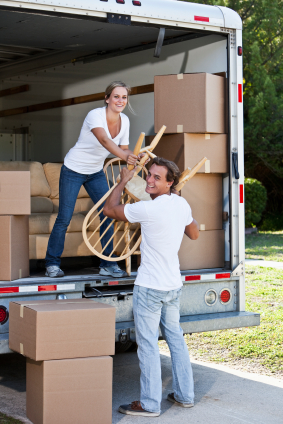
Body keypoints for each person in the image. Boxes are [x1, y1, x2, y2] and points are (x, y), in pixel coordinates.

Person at [103, 156, 200, 417]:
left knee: (147, 345)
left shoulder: (147, 208)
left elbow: (109, 210)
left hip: (149, 288)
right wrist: (178, 207)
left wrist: (123, 181)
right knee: (176, 340)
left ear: (169, 183)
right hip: (171, 286)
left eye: (157, 177)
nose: (149, 180)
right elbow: (194, 233)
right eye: (149, 174)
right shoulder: (180, 204)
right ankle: (185, 395)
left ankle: (149, 404)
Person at [45, 81, 139, 278]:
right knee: (65, 217)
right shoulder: (95, 115)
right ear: (107, 98)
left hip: (95, 172)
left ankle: (107, 264)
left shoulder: (125, 121)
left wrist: (134, 157)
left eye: (124, 97)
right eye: (116, 96)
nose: (120, 100)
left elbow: (124, 149)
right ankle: (52, 264)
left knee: (108, 213)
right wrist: (124, 157)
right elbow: (104, 141)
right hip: (73, 169)